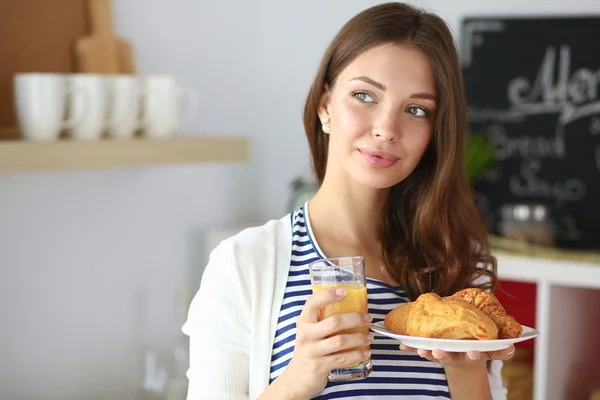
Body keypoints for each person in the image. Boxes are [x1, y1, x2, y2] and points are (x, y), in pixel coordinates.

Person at [182, 2, 515, 399]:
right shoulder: (244, 264)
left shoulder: (457, 267)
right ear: (325, 107)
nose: (386, 129)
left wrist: (466, 370)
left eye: (416, 109)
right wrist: (300, 379)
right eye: (364, 95)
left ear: (434, 134)